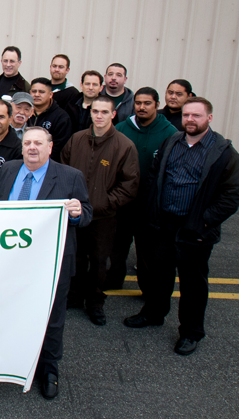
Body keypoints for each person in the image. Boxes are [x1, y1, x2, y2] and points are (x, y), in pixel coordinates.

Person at [123, 97, 239, 356]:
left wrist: (204, 220)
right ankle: (154, 313)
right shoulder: (172, 141)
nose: (190, 120)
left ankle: (191, 332)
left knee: (193, 284)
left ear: (209, 118)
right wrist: (152, 209)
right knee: (159, 274)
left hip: (195, 228)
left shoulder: (223, 152)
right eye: (187, 115)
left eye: (196, 115)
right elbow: (155, 175)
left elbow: (231, 196)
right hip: (164, 223)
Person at [0, 126, 92, 399]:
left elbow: (86, 213)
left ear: (50, 146)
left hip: (51, 261)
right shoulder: (9, 170)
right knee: (11, 309)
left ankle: (49, 368)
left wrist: (77, 213)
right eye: (27, 143)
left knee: (52, 315)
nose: (32, 148)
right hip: (10, 260)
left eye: (38, 143)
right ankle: (13, 358)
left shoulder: (71, 176)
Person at [61, 96, 139, 326]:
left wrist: (105, 203)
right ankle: (74, 296)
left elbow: (130, 184)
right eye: (95, 111)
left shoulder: (124, 145)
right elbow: (63, 169)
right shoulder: (76, 139)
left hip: (103, 217)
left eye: (105, 112)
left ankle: (95, 303)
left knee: (98, 261)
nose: (99, 116)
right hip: (75, 214)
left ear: (113, 114)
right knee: (75, 257)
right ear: (90, 112)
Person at [109, 87, 178, 292]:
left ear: (157, 105)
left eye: (147, 103)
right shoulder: (121, 128)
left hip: (150, 202)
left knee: (147, 248)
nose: (141, 107)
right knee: (118, 244)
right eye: (138, 103)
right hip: (123, 199)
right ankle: (113, 280)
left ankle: (147, 288)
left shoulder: (170, 133)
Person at [27, 78, 72, 160]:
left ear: (51, 94)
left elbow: (59, 148)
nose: (37, 94)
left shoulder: (61, 117)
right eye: (34, 91)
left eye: (41, 92)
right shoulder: (24, 113)